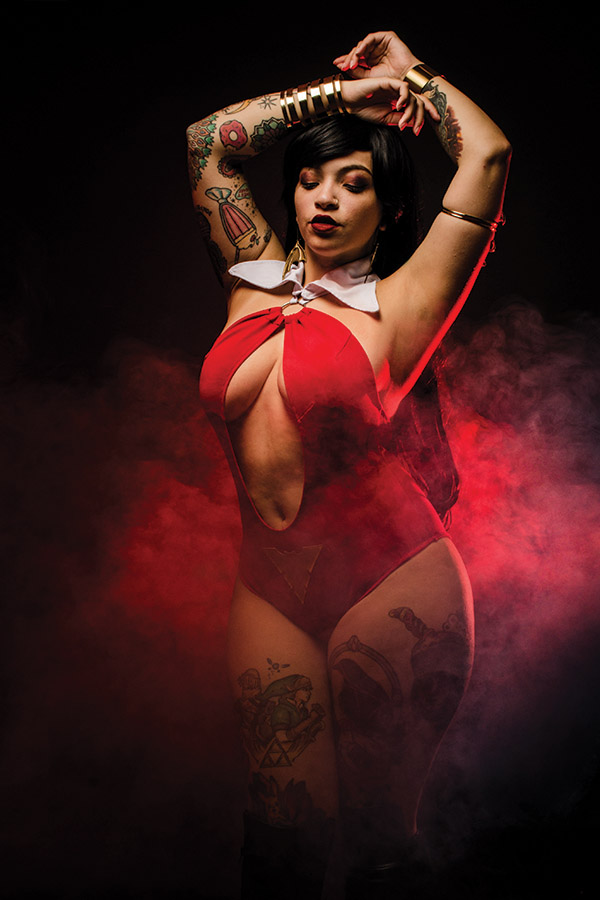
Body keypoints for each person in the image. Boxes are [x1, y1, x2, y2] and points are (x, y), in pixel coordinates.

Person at [187, 29, 510, 899]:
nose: (324, 197)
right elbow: (207, 143)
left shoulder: (401, 304)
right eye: (310, 177)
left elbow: (487, 155)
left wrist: (413, 77)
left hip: (392, 579)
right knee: (279, 836)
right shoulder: (250, 278)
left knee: (377, 843)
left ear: (391, 210)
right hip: (268, 587)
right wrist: (344, 98)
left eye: (355, 183)